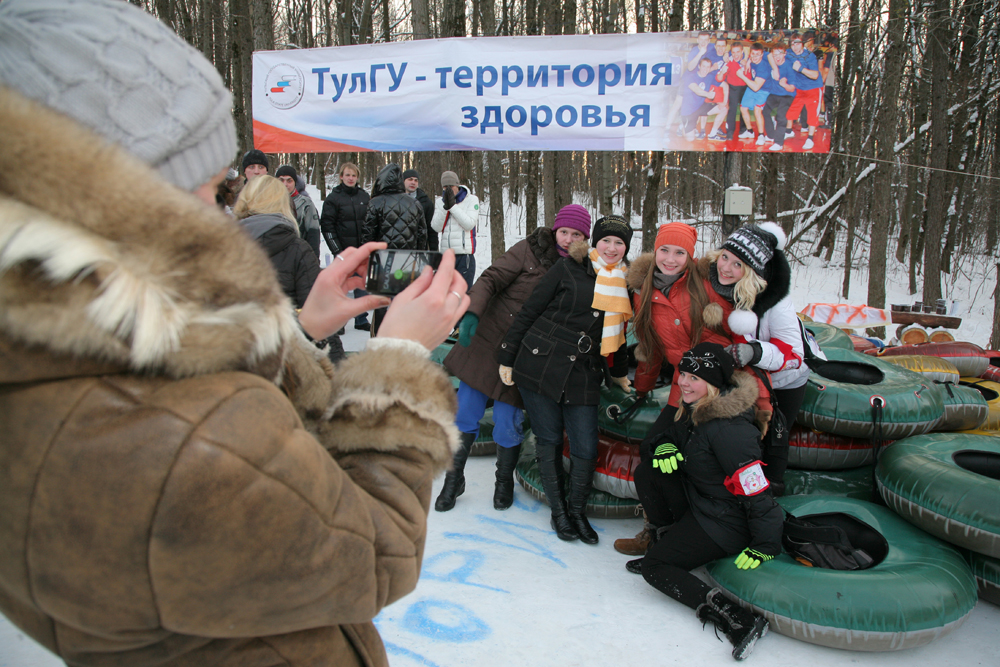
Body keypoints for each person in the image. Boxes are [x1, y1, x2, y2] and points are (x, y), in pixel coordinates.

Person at [0, 3, 472, 667]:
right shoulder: (183, 444)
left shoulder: (48, 364)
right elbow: (374, 550)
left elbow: (207, 409)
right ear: (119, 201)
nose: (224, 220)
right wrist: (397, 360)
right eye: (207, 191)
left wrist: (303, 330)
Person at [627, 342, 781, 661]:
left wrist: (766, 544)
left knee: (656, 567)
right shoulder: (699, 410)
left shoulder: (730, 430)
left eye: (693, 378)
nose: (683, 382)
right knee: (649, 471)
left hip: (727, 523)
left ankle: (738, 619)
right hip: (704, 503)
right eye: (682, 373)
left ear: (713, 383)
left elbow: (757, 491)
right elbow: (664, 439)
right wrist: (664, 447)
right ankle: (666, 541)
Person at [497, 211, 632, 544]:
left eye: (619, 242)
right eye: (606, 241)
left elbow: (618, 336)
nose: (612, 248)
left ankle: (577, 511)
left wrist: (617, 374)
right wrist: (508, 357)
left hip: (584, 371)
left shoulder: (624, 281)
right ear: (593, 243)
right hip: (539, 362)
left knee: (585, 445)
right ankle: (559, 513)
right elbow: (530, 310)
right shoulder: (568, 268)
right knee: (549, 438)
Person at [436, 206, 579, 512]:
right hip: (488, 340)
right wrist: (471, 312)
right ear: (555, 230)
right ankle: (453, 480)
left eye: (576, 235)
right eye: (564, 232)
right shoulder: (528, 250)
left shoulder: (578, 270)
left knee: (505, 423)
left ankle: (504, 481)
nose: (567, 239)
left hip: (523, 356)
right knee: (466, 413)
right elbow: (491, 278)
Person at [703, 222, 808, 496]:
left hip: (785, 378)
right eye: (724, 257)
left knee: (775, 432)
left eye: (737, 265)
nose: (725, 268)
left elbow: (794, 354)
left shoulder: (778, 304)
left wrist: (756, 351)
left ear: (751, 273)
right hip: (746, 376)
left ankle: (772, 490)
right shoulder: (717, 284)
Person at [361, 163, 429, 335]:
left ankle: (380, 342)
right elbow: (422, 236)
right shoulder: (415, 204)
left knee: (382, 305)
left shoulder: (375, 203)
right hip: (409, 262)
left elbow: (367, 237)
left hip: (383, 262)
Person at [320, 161, 372, 330]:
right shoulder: (333, 198)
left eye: (354, 175)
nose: (351, 178)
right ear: (341, 176)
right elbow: (327, 225)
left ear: (358, 178)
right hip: (343, 251)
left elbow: (370, 224)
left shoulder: (364, 197)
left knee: (361, 285)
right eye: (347, 175)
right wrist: (337, 250)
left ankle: (361, 319)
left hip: (361, 252)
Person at [431, 170, 479, 291]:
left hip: (464, 255)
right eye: (445, 187)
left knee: (463, 293)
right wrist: (445, 206)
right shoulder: (439, 202)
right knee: (444, 292)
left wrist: (452, 206)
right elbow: (436, 227)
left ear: (457, 185)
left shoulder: (471, 200)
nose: (448, 190)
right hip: (446, 255)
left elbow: (469, 224)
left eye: (451, 186)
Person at [784, 34, 824, 150]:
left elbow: (815, 75)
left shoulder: (809, 56)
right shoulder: (789, 53)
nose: (795, 46)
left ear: (802, 44)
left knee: (812, 114)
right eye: (793, 44)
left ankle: (810, 138)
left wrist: (800, 69)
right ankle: (788, 131)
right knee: (791, 109)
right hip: (799, 87)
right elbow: (774, 54)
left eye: (798, 43)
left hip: (814, 87)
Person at [275, 164, 322, 256]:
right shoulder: (268, 202)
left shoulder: (305, 203)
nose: (285, 184)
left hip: (299, 256)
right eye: (281, 180)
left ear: (295, 183)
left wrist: (314, 259)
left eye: (289, 181)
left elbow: (313, 235)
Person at [762, 44, 797, 151]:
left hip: (787, 95)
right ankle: (771, 135)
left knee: (781, 116)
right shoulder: (771, 60)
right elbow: (766, 55)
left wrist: (784, 85)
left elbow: (792, 88)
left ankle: (778, 143)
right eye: (774, 54)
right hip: (774, 93)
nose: (777, 57)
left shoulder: (789, 67)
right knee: (765, 112)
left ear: (785, 54)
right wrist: (775, 68)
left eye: (779, 54)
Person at [403, 168, 437, 250]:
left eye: (416, 180)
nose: (413, 182)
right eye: (410, 179)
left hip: (419, 249)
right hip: (399, 249)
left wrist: (434, 251)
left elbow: (431, 229)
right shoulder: (395, 200)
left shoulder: (425, 202)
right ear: (403, 181)